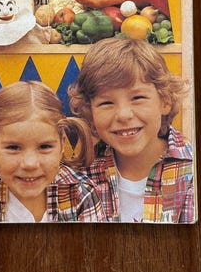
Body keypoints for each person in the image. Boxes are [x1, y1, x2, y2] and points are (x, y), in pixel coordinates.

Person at [68, 37, 194, 223]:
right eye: (106, 103)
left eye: (137, 98)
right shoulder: (79, 176)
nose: (123, 115)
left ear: (165, 101)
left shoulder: (195, 172)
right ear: (90, 113)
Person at [0, 81, 106, 223]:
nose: (30, 164)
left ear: (62, 145)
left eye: (44, 147)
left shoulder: (80, 194)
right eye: (13, 148)